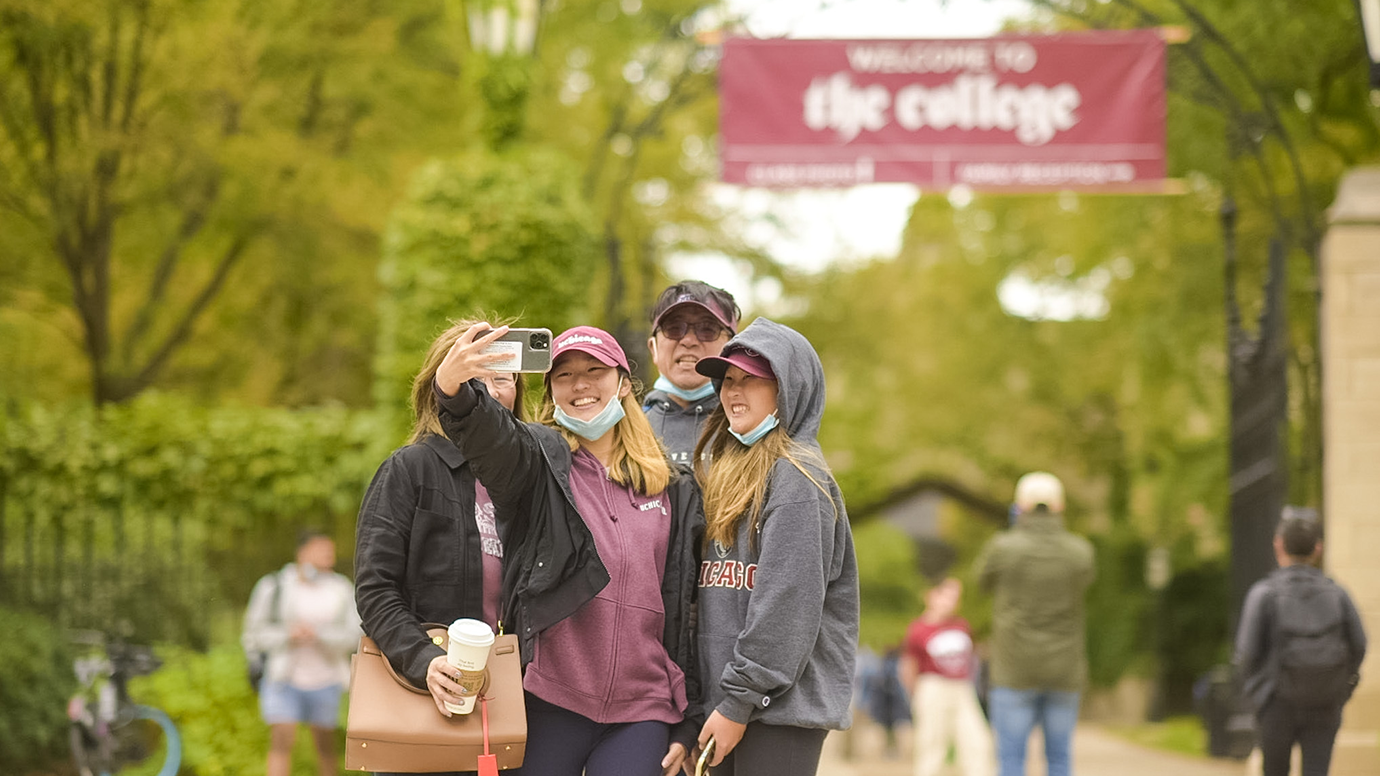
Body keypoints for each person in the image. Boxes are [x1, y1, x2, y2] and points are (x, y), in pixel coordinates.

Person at [433, 323, 705, 776]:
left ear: (622, 382)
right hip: (548, 700)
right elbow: (489, 436)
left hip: (644, 710)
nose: (580, 384)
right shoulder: (537, 461)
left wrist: (688, 719)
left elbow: (685, 606)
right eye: (564, 375)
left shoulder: (673, 486)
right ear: (551, 392)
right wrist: (453, 388)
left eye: (594, 370)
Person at [353, 318, 527, 776]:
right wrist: (424, 661)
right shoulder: (410, 470)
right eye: (477, 375)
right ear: (446, 387)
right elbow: (375, 589)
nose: (491, 389)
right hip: (423, 694)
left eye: (503, 377)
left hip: (502, 702)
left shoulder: (527, 483)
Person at [689, 317, 859, 776]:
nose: (732, 391)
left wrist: (739, 701)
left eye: (752, 380)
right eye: (728, 380)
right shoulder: (726, 472)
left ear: (789, 388)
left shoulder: (799, 480)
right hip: (727, 704)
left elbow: (787, 606)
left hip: (776, 714)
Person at [974, 472, 1094, 776]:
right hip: (1064, 670)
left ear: (1021, 506)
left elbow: (980, 582)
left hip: (1014, 670)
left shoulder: (1003, 548)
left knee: (1011, 761)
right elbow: (1086, 580)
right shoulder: (1079, 551)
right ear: (1059, 506)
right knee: (1059, 759)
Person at [1234, 507, 1367, 776]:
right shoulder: (1338, 594)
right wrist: (1342, 688)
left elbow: (1246, 654)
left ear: (1278, 545)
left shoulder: (1263, 594)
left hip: (1276, 704)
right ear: (1318, 549)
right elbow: (1360, 644)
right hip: (1326, 702)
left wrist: (1259, 695)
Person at [243, 531, 362, 776]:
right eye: (322, 550)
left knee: (326, 745)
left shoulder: (341, 588)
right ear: (303, 552)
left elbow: (355, 635)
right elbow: (254, 633)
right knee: (281, 741)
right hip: (282, 677)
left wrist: (319, 635)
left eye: (331, 551)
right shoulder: (274, 585)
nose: (329, 556)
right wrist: (289, 634)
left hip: (327, 679)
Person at [900, 577, 993, 776]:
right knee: (932, 745)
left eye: (955, 597)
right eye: (945, 596)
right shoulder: (919, 629)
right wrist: (916, 695)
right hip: (933, 685)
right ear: (931, 596)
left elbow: (972, 657)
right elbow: (909, 666)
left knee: (977, 742)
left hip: (961, 688)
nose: (950, 602)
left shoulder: (961, 625)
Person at [642, 281, 741, 465]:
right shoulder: (628, 430)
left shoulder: (752, 427)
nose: (688, 340)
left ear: (733, 348)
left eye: (707, 329)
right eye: (674, 328)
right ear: (653, 348)